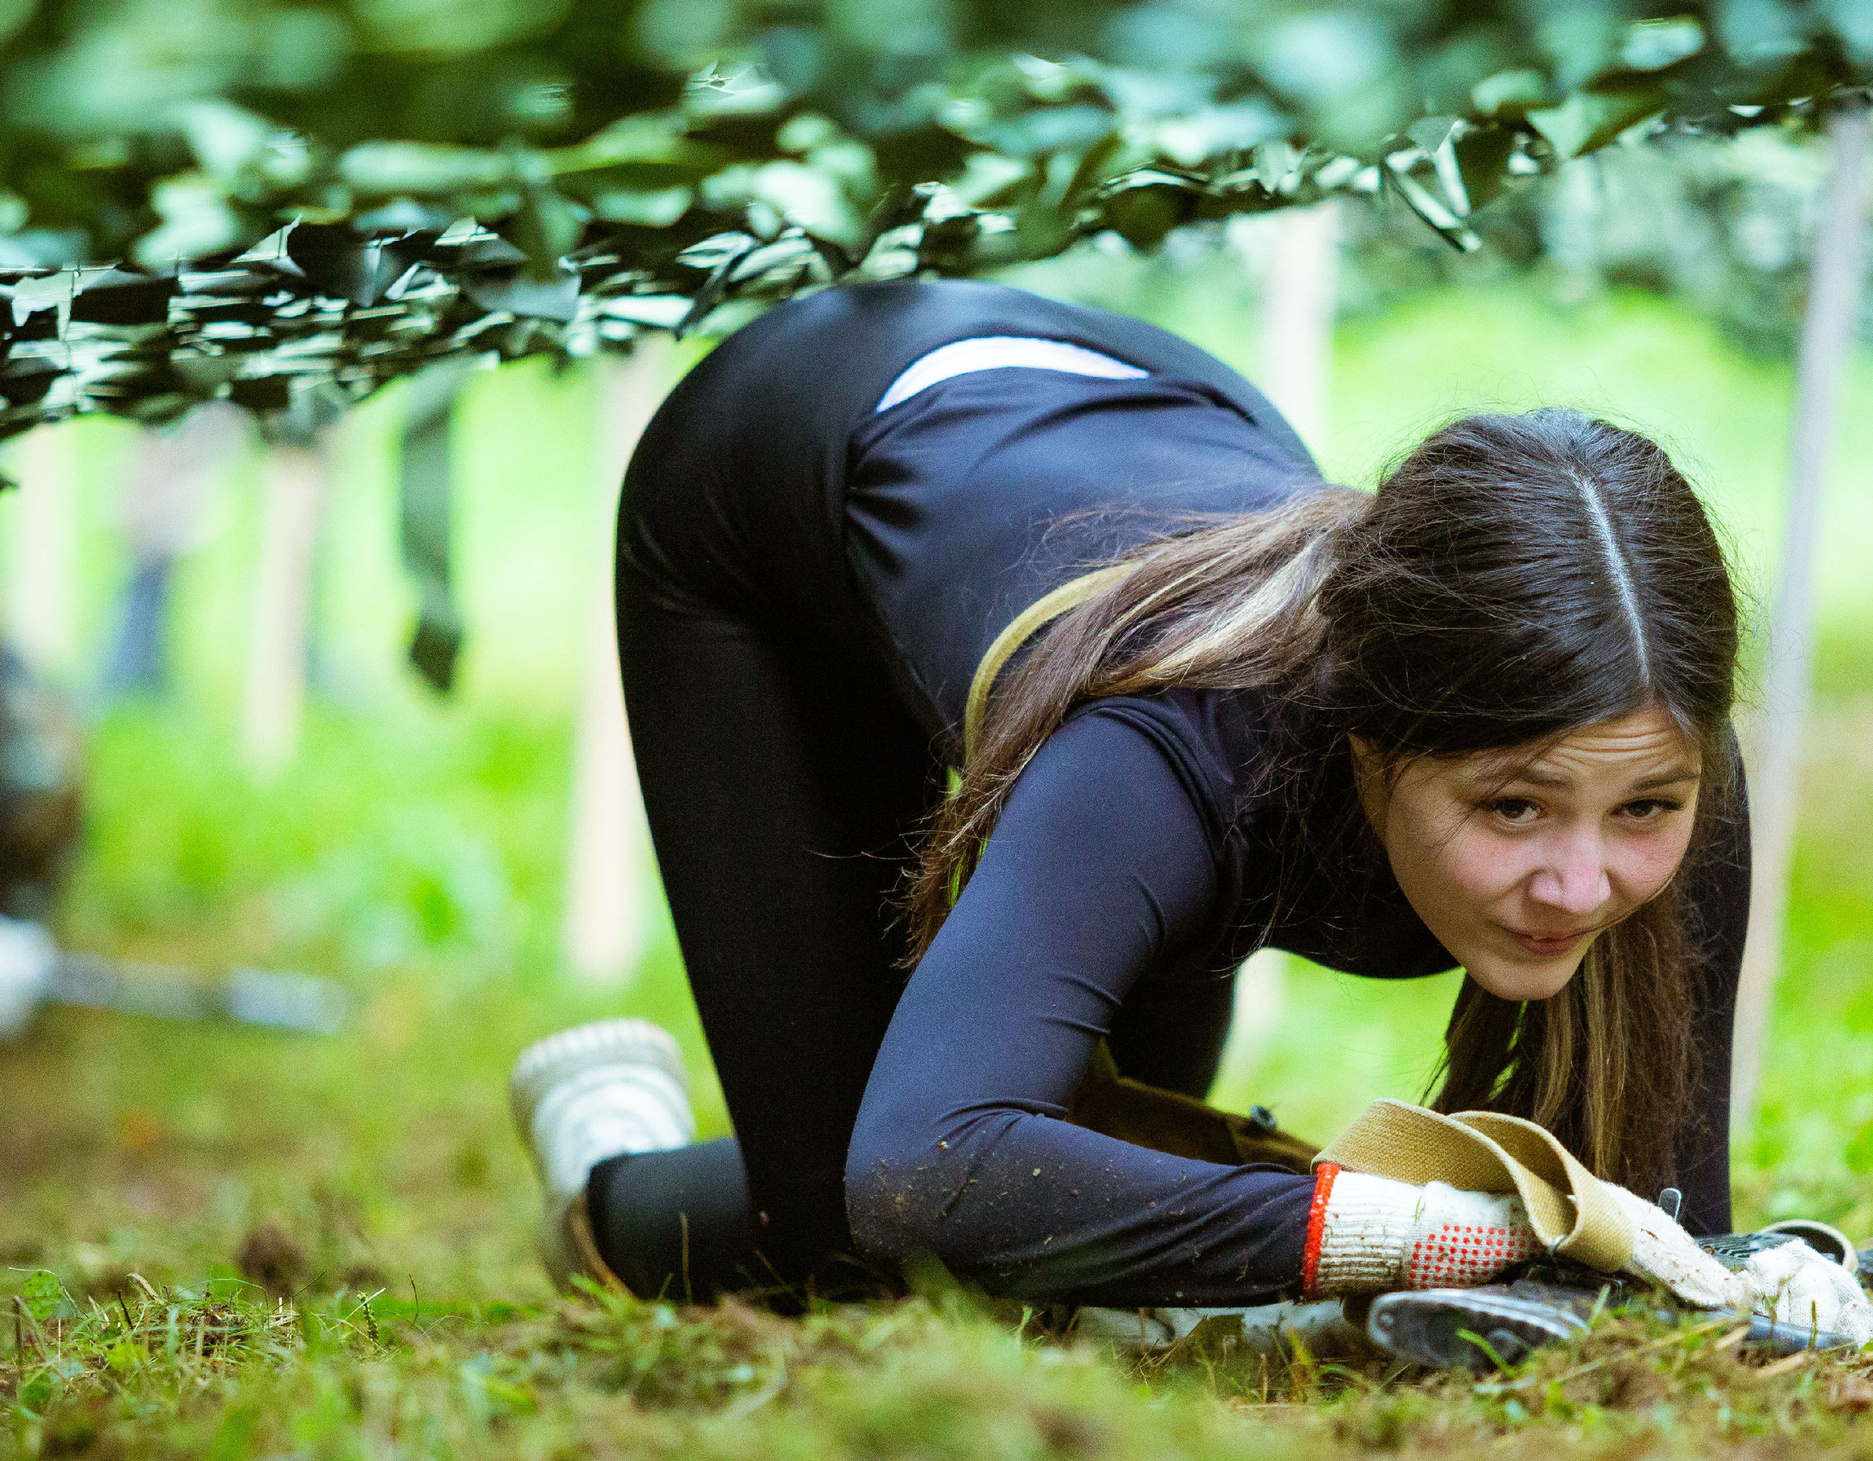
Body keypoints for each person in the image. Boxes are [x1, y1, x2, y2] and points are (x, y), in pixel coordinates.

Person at [507, 277, 1771, 1316]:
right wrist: (1401, 1231)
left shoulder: (1648, 742)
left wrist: (1764, 1281)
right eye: (1510, 809)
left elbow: (1661, 1220)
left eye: (1643, 814)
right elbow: (924, 1173)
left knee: (1109, 1200)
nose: (1579, 882)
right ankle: (604, 1151)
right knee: (858, 1242)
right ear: (1368, 746)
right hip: (779, 473)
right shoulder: (1174, 756)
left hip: (1145, 416)